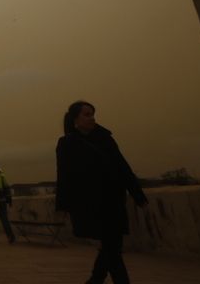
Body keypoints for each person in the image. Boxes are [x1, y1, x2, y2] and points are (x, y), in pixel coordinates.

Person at [56, 101, 148, 284]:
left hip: (113, 200)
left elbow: (122, 167)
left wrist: (138, 195)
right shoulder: (67, 144)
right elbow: (64, 176)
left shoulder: (105, 139)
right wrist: (63, 205)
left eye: (92, 114)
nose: (92, 118)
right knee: (112, 248)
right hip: (90, 204)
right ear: (76, 119)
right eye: (87, 114)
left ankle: (95, 280)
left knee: (111, 247)